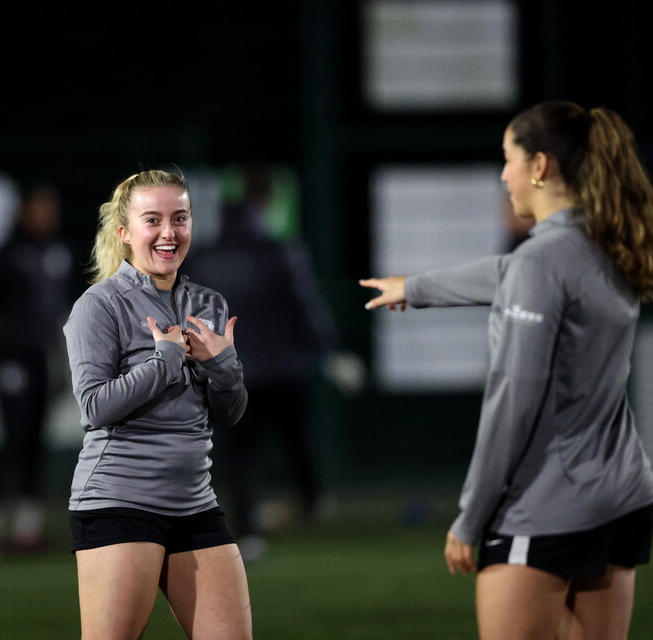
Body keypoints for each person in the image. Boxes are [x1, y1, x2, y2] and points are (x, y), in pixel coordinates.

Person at [360, 100, 653, 639]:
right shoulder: (610, 245)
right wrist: (416, 287)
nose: (503, 175)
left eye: (508, 159)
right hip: (624, 495)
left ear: (539, 167)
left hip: (549, 503)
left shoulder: (541, 263)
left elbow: (513, 402)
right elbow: (509, 272)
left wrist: (472, 516)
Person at [62, 169, 253, 639]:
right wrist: (165, 360)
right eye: (154, 220)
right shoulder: (99, 305)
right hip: (117, 502)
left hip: (195, 503)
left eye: (180, 218)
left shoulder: (207, 303)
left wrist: (224, 366)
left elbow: (229, 413)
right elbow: (94, 407)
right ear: (125, 233)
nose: (169, 233)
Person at [187, 162, 359, 562]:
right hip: (282, 368)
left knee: (240, 455)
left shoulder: (205, 258)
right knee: (296, 439)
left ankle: (247, 529)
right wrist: (328, 350)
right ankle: (313, 502)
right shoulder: (279, 250)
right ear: (265, 203)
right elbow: (305, 306)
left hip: (230, 371)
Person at [0, 183, 73, 554]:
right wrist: (12, 336)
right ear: (23, 211)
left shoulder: (59, 254)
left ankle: (25, 530)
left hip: (44, 358)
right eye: (41, 208)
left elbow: (60, 309)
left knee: (35, 441)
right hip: (12, 358)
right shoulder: (3, 255)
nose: (47, 216)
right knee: (12, 437)